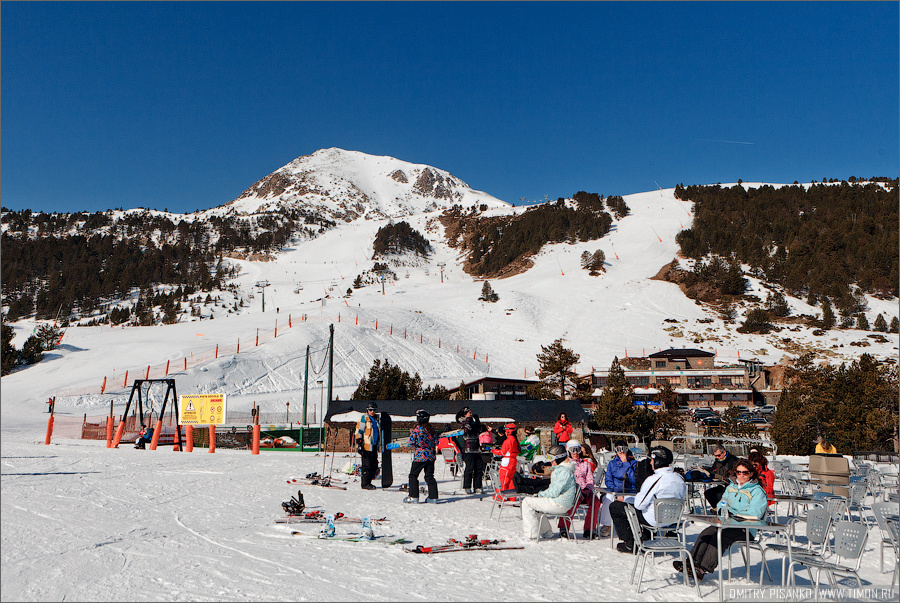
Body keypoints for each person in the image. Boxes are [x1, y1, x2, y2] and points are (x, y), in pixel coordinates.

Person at [674, 458, 769, 580]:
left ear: (751, 473)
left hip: (746, 528)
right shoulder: (732, 487)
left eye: (744, 472)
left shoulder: (757, 492)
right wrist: (721, 511)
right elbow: (722, 502)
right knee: (708, 532)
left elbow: (755, 513)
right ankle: (691, 562)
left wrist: (736, 516)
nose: (741, 475)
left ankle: (703, 568)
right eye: (738, 472)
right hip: (728, 523)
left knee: (721, 536)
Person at [611, 446, 687, 554]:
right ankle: (645, 536)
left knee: (616, 507)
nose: (650, 463)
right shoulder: (679, 478)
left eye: (652, 460)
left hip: (654, 520)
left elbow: (639, 505)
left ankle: (630, 544)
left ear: (657, 461)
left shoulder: (654, 480)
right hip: (673, 520)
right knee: (649, 505)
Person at [521, 444, 579, 541]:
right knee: (535, 504)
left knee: (527, 502)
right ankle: (546, 532)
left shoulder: (564, 471)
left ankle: (530, 534)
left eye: (551, 458)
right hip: (560, 501)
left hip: (560, 503)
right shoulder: (562, 470)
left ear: (559, 458)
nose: (550, 460)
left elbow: (554, 491)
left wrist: (540, 495)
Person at [558, 440, 603, 539]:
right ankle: (564, 527)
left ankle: (589, 529)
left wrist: (588, 488)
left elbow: (590, 478)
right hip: (573, 491)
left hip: (585, 490)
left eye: (578, 450)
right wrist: (575, 491)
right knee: (571, 501)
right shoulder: (566, 464)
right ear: (568, 451)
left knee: (596, 501)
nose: (576, 453)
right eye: (573, 450)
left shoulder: (585, 464)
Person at [599, 440, 638, 538]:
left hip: (629, 490)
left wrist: (626, 464)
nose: (621, 452)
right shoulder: (612, 463)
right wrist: (615, 491)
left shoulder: (633, 463)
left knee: (629, 500)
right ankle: (607, 524)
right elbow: (608, 479)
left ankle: (633, 526)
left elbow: (634, 480)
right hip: (616, 490)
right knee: (608, 498)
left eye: (623, 449)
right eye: (618, 449)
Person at [404, 409, 439, 504]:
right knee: (429, 476)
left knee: (413, 476)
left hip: (420, 457)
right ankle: (433, 497)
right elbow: (437, 441)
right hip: (431, 456)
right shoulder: (431, 430)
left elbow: (411, 443)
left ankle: (413, 496)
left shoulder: (417, 430)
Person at [456, 406, 485, 494]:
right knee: (470, 467)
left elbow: (480, 430)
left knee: (479, 467)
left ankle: (478, 486)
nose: (471, 414)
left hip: (476, 447)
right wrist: (468, 419)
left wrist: (477, 421)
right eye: (469, 413)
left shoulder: (473, 422)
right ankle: (467, 486)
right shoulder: (462, 422)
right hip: (468, 448)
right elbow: (466, 430)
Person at [354, 402, 381, 490]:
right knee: (367, 465)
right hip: (366, 445)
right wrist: (359, 442)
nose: (372, 412)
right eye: (370, 410)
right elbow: (359, 430)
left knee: (374, 464)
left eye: (374, 410)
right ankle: (365, 483)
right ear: (367, 410)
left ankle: (370, 481)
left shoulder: (377, 419)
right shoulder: (364, 418)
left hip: (374, 445)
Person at [702, 445, 737, 510]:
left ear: (724, 452)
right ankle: (716, 509)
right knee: (708, 493)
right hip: (722, 484)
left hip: (732, 486)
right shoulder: (717, 461)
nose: (717, 457)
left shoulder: (733, 461)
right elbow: (713, 469)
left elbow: (732, 476)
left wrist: (719, 477)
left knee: (721, 495)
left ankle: (722, 510)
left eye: (719, 455)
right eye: (715, 456)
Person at [492, 423, 520, 492]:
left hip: (507, 461)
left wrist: (493, 450)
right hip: (514, 461)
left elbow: (502, 452)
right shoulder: (516, 441)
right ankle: (512, 496)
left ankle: (501, 495)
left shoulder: (507, 441)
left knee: (503, 478)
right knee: (511, 479)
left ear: (508, 431)